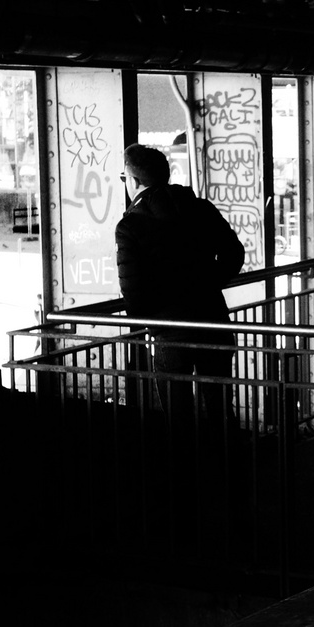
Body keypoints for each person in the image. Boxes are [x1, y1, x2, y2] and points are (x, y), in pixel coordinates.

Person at [114, 143, 246, 431]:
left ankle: (185, 471)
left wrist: (158, 312)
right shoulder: (199, 208)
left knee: (177, 416)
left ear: (134, 181)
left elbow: (134, 294)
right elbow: (234, 253)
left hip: (170, 329)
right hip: (213, 319)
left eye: (124, 178)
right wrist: (205, 285)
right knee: (221, 407)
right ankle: (232, 468)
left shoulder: (130, 226)